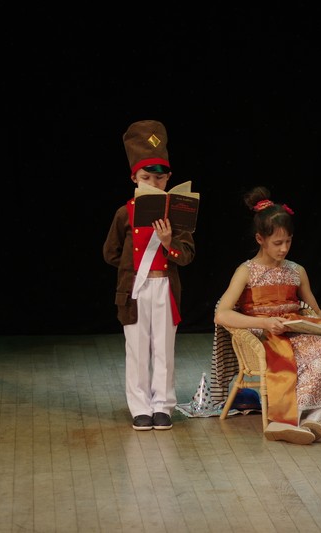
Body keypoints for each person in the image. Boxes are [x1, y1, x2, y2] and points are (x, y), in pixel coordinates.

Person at [214, 186, 321, 444]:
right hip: (265, 333)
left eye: (288, 241)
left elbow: (316, 311)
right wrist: (264, 322)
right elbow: (222, 314)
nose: (284, 248)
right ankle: (287, 420)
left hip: (296, 328)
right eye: (277, 243)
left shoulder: (297, 271)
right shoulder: (247, 271)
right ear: (260, 239)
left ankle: (314, 418)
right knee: (308, 355)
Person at [103, 120, 195, 431]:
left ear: (169, 178)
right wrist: (131, 270)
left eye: (159, 178)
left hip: (165, 288)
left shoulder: (178, 211)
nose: (154, 184)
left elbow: (187, 255)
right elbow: (110, 253)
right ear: (134, 178)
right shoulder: (124, 212)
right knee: (138, 350)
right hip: (136, 288)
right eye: (146, 178)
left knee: (164, 350)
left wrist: (169, 244)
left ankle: (163, 406)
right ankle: (140, 406)